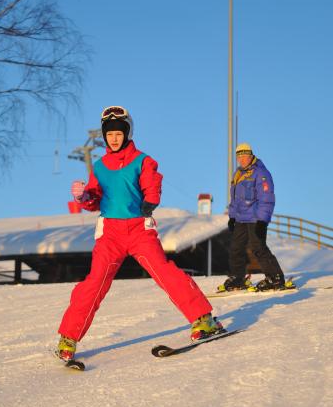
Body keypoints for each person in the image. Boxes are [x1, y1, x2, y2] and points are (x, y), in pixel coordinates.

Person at [55, 106, 224, 362]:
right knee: (95, 283)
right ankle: (68, 338)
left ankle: (203, 319)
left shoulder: (143, 160)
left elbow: (152, 181)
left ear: (127, 133)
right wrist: (84, 196)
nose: (114, 138)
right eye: (109, 134)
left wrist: (151, 199)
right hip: (109, 233)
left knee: (164, 271)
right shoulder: (99, 168)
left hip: (138, 229)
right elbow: (94, 200)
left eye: (118, 133)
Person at [218, 142, 286, 292]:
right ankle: (238, 278)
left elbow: (266, 198)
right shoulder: (238, 174)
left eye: (245, 156)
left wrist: (263, 220)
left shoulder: (260, 173)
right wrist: (232, 217)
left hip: (255, 218)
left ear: (251, 155)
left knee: (258, 247)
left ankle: (275, 277)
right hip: (241, 219)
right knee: (236, 248)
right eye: (239, 156)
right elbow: (235, 199)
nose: (242, 159)